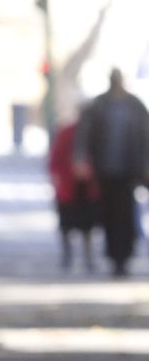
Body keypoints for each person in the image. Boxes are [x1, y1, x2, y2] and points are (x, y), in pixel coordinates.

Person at [74, 69, 149, 277]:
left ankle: (124, 256)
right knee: (108, 214)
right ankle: (114, 256)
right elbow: (84, 134)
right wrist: (80, 159)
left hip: (129, 171)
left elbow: (145, 134)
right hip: (104, 170)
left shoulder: (135, 105)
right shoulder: (99, 105)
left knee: (126, 214)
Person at [47, 111, 99, 272]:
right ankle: (67, 257)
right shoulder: (66, 132)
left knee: (87, 227)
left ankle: (88, 258)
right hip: (68, 187)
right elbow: (55, 158)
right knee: (66, 225)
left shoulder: (95, 134)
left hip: (86, 188)